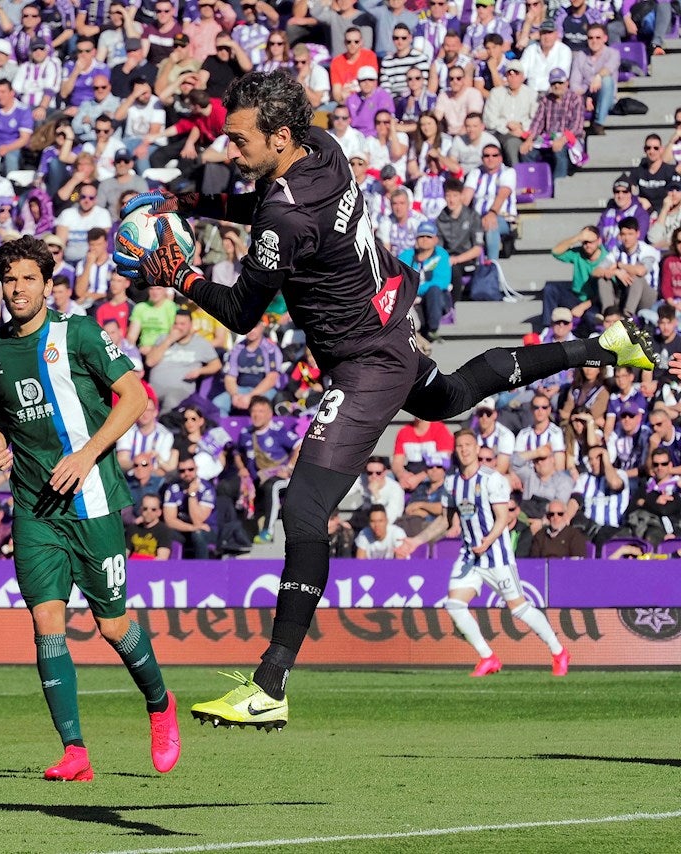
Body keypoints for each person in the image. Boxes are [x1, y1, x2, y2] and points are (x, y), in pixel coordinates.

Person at [113, 70, 653, 730]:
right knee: (452, 394)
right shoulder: (326, 147)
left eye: (238, 139)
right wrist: (187, 202)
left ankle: (270, 685)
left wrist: (181, 273)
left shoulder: (283, 216)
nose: (228, 149)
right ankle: (606, 346)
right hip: (390, 324)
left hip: (365, 363)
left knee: (304, 509)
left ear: (280, 137)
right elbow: (271, 209)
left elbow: (241, 312)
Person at [0, 235, 180, 781]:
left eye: (27, 279)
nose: (17, 289)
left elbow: (135, 398)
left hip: (92, 503)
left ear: (47, 284)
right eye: (9, 279)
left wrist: (87, 455)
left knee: (113, 626)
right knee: (47, 624)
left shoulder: (79, 333)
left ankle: (160, 704)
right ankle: (75, 751)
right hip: (33, 506)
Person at [398, 430, 570, 676]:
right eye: (460, 446)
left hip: (495, 555)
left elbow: (502, 518)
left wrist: (487, 541)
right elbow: (445, 521)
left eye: (469, 445)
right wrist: (416, 541)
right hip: (470, 555)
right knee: (454, 604)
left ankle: (558, 651)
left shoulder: (492, 479)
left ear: (477, 449)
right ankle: (488, 657)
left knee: (519, 608)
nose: (464, 449)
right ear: (455, 451)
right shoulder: (451, 482)